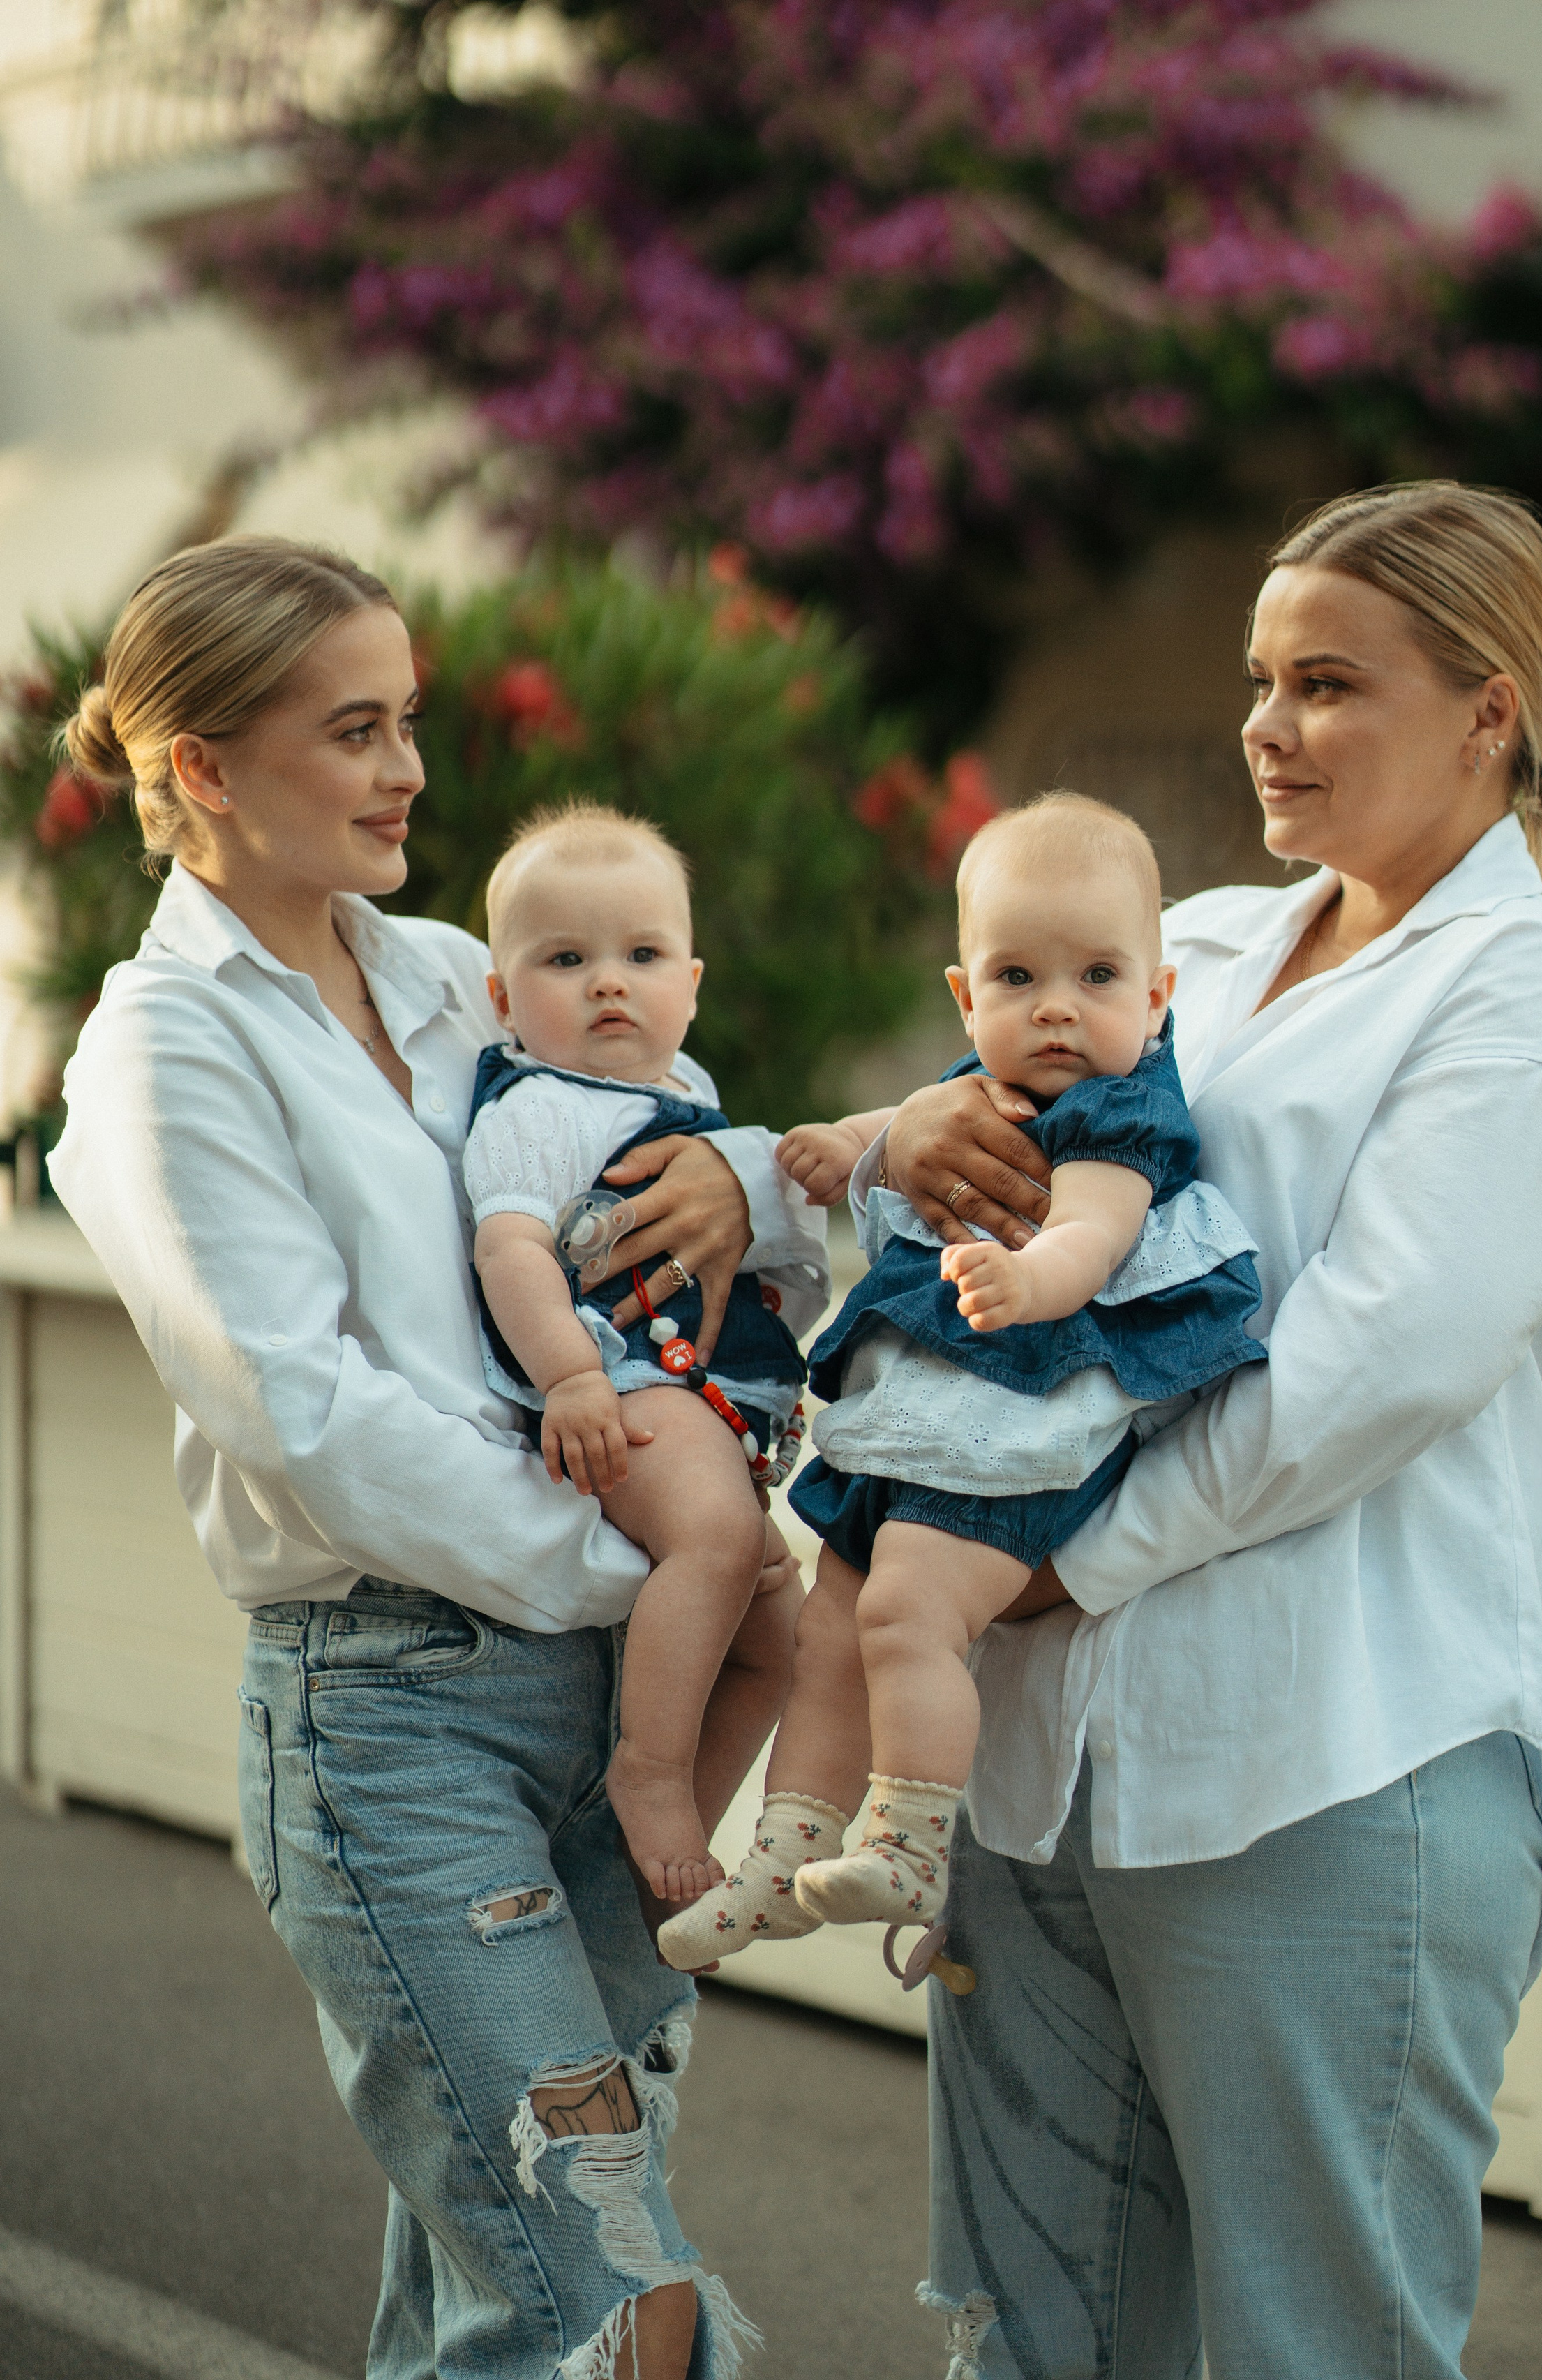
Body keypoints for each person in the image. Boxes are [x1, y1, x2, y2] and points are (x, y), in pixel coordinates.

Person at [801, 484, 1542, 2379]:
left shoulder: (1536, 1000)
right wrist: (888, 1150)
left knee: (1310, 2352)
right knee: (1034, 2344)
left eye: (1327, 684)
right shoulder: (1191, 941)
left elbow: (1362, 1378)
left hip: (1338, 1767)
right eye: (1262, 679)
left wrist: (1041, 1565)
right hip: (1045, 1779)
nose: (1265, 725)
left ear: (1490, 712)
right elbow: (981, 1218)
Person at [47, 535, 826, 2380]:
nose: (410, 770)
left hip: (599, 1701)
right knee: (612, 2291)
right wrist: (650, 1572)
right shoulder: (161, 1053)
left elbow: (654, 1146)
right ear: (206, 766)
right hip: (396, 1723)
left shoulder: (469, 977)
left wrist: (737, 1175)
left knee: (497, 2311)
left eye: (410, 722)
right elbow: (300, 1409)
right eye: (356, 730)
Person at [657, 794, 1266, 1972]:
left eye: (1097, 976)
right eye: (1018, 976)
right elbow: (910, 1118)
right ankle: (783, 1857)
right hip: (919, 1413)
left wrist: (1030, 1279)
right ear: (965, 995)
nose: (1056, 1007)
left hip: (1022, 1409)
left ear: (1156, 995)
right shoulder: (987, 1081)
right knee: (831, 1629)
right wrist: (855, 1142)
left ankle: (910, 1838)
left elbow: (1093, 1230)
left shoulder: (1122, 1108)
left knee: (902, 1612)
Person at [465, 798, 808, 1905]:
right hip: (621, 1386)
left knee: (783, 1631)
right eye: (568, 958)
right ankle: (650, 1770)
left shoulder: (684, 1093)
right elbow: (511, 1247)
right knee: (713, 1539)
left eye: (642, 954)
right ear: (505, 1000)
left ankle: (656, 1851)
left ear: (692, 985)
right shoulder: (540, 1107)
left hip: (699, 1394)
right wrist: (569, 1377)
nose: (610, 981)